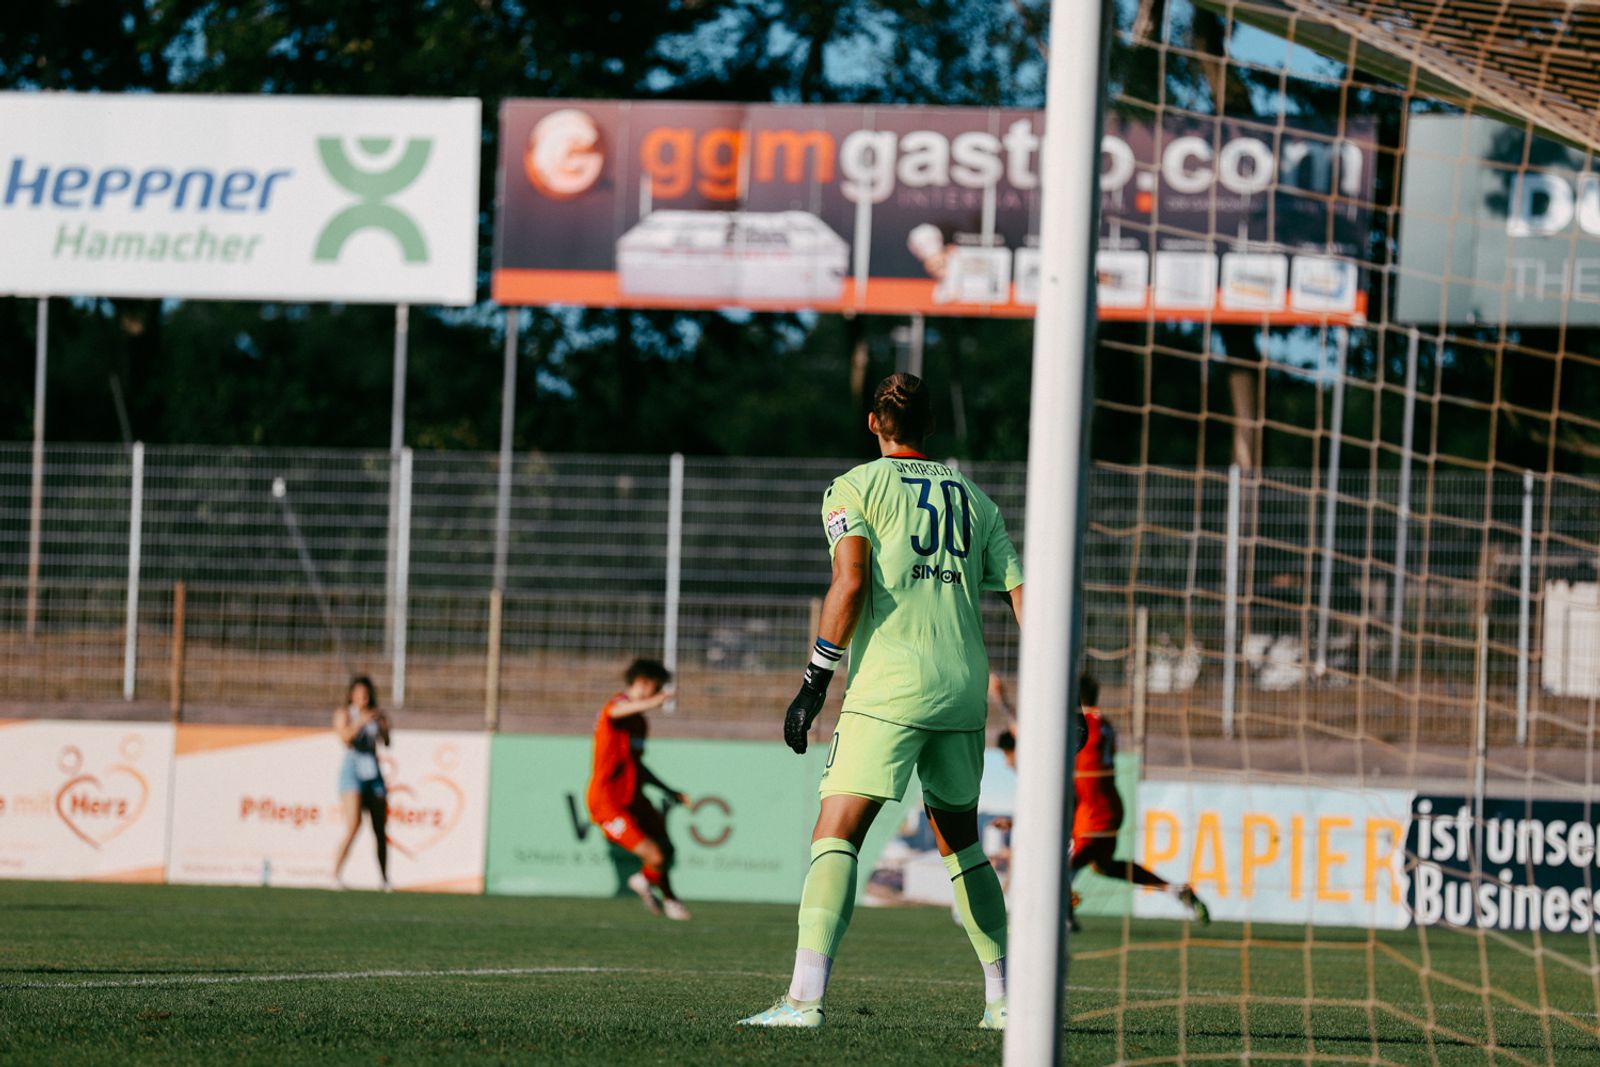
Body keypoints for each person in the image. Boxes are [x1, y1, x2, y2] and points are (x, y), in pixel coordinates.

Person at [739, 373, 1024, 1031]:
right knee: (962, 845)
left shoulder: (854, 487)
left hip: (889, 688)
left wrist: (814, 682)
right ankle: (1005, 1001)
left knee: (835, 833)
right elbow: (1021, 593)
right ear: (931, 426)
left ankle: (803, 1001)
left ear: (873, 423)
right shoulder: (976, 499)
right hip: (962, 691)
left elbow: (851, 582)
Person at [1067, 672, 1210, 926]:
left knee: (1061, 867)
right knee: (1102, 866)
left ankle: (1062, 916)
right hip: (1104, 805)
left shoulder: (1083, 727)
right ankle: (1174, 890)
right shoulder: (1104, 724)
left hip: (1094, 812)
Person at [585, 657, 693, 921]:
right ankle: (658, 891)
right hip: (608, 802)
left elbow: (638, 766)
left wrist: (668, 790)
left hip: (633, 796)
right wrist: (655, 701)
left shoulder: (640, 723)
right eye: (656, 688)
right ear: (643, 683)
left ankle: (658, 891)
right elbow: (614, 712)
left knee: (666, 850)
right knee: (654, 855)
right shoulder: (616, 707)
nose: (658, 693)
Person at [332, 675, 391, 890]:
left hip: (373, 771)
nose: (363, 697)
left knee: (380, 828)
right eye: (359, 694)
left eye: (366, 694)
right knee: (353, 825)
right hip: (353, 771)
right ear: (352, 695)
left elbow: (387, 741)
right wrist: (360, 722)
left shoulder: (376, 714)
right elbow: (345, 738)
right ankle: (335, 875)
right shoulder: (345, 714)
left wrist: (382, 724)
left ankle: (384, 879)